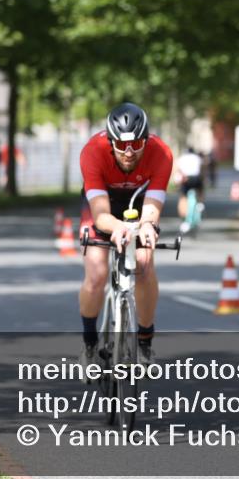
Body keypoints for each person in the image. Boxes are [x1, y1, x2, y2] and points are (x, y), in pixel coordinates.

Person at [78, 103, 173, 370]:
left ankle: (144, 342)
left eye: (136, 144)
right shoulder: (92, 152)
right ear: (110, 142)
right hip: (103, 204)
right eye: (120, 145)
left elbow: (152, 209)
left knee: (143, 264)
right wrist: (117, 228)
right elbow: (99, 215)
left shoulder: (161, 153)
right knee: (96, 273)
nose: (129, 152)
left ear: (146, 139)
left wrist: (146, 227)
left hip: (139, 202)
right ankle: (89, 345)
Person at [176, 146, 204, 222]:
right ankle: (200, 204)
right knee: (200, 191)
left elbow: (178, 170)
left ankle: (183, 214)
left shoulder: (182, 158)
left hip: (186, 178)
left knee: (183, 197)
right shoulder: (197, 157)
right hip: (196, 178)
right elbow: (202, 169)